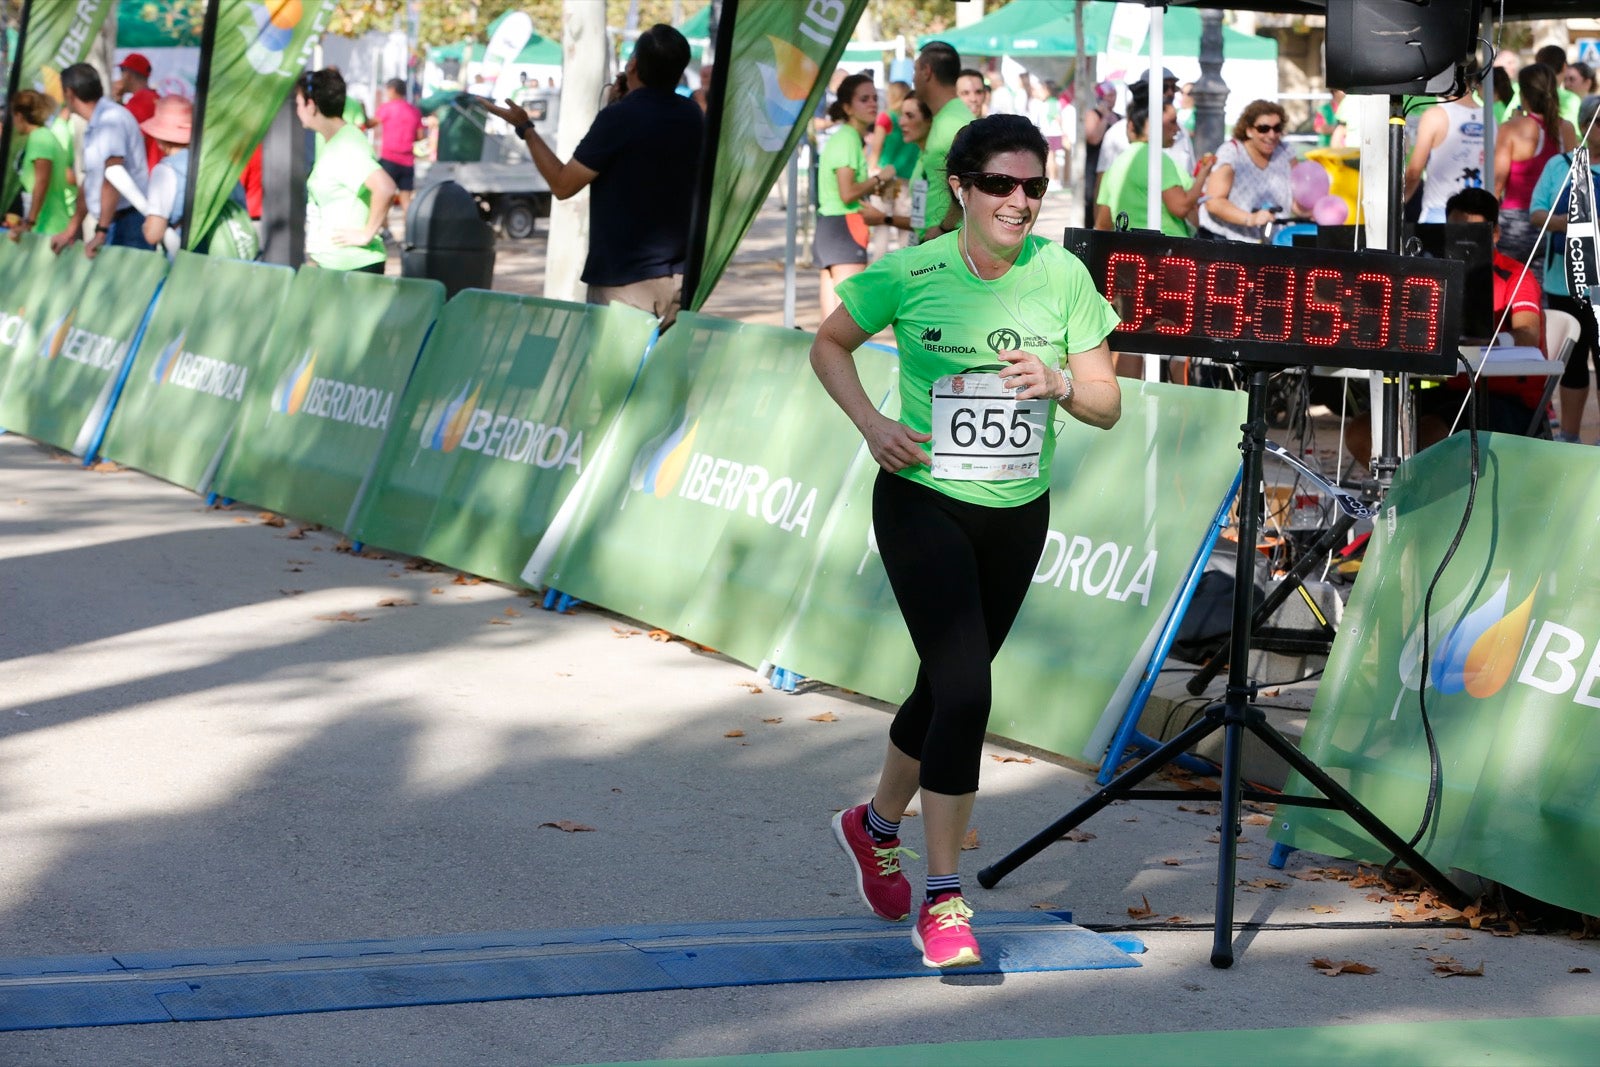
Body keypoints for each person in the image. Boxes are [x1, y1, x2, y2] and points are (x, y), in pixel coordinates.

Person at [809, 114, 1121, 969]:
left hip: (1017, 510)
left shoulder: (1063, 277)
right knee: (968, 687)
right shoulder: (912, 271)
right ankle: (944, 899)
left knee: (946, 687)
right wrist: (872, 422)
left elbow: (1106, 400)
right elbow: (829, 343)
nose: (1018, 201)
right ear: (962, 187)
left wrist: (1059, 380)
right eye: (1000, 184)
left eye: (1032, 186)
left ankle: (873, 825)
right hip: (921, 498)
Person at [481, 23, 703, 328]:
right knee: (662, 374)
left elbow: (563, 184)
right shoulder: (692, 115)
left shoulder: (620, 118)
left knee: (612, 377)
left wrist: (525, 128)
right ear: (679, 73)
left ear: (633, 64)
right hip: (680, 279)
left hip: (627, 281)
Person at [1346, 188, 1548, 465]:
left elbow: (1528, 335)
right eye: (1455, 232)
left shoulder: (1516, 276)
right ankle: (1403, 498)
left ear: (1496, 235)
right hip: (1449, 389)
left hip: (1508, 400)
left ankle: (1421, 499)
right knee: (1361, 431)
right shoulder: (1433, 277)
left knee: (1429, 432)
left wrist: (1480, 342)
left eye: (1473, 233)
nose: (1463, 240)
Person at [1530, 93, 1600, 444]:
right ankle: (1571, 438)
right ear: (1586, 126)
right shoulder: (1560, 165)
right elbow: (1536, 212)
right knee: (1572, 367)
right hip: (1564, 283)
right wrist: (1566, 222)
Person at [296, 68, 395, 273]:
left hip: (352, 268)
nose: (297, 111)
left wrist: (366, 234)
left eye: (298, 104)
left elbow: (385, 187)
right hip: (338, 266)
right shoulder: (336, 141)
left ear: (311, 106)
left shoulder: (347, 144)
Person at [51, 63, 151, 257]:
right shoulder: (98, 122)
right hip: (115, 222)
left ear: (70, 93)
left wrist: (101, 231)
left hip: (127, 223)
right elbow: (90, 183)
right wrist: (71, 230)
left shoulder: (110, 120)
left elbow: (113, 178)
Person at [815, 73, 893, 318]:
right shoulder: (847, 139)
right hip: (843, 226)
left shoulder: (847, 138)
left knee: (831, 320)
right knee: (846, 316)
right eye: (863, 99)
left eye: (874, 98)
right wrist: (881, 177)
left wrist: (872, 184)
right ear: (847, 107)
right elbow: (847, 193)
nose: (872, 104)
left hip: (833, 225)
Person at [1494, 63, 1577, 287]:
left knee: (1507, 290)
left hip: (1514, 222)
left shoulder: (1512, 128)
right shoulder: (1565, 128)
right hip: (1550, 221)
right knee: (1540, 294)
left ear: (1523, 93)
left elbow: (1497, 182)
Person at [1095, 99, 1210, 238]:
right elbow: (1180, 207)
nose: (1178, 129)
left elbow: (1103, 223)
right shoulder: (1157, 159)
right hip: (1167, 249)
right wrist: (1203, 173)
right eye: (1172, 122)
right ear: (1152, 124)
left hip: (1128, 249)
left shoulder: (1116, 165)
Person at [1199, 99, 1295, 242]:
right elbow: (1213, 201)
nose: (1272, 135)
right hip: (1225, 240)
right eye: (1264, 128)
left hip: (1273, 240)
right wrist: (1250, 219)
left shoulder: (1285, 152)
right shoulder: (1232, 152)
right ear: (1249, 130)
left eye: (1277, 128)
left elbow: (1297, 198)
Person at [909, 42, 971, 243]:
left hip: (947, 243)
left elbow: (972, 183)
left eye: (915, 71)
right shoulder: (945, 118)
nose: (913, 78)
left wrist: (944, 228)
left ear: (926, 72)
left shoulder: (953, 122)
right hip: (939, 240)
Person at [1405, 81, 1486, 223]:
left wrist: (1399, 203)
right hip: (1479, 215)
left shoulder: (1435, 116)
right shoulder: (1489, 118)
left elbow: (1414, 171)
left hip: (1440, 211)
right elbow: (1498, 176)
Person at [7, 90, 72, 240]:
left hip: (49, 227)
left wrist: (30, 221)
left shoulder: (40, 138)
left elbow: (42, 181)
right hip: (45, 225)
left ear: (19, 115)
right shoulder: (42, 136)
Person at [140, 94, 192, 252]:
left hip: (185, 263)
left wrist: (146, 226)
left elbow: (153, 234)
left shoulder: (165, 171)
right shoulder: (212, 161)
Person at [374, 78, 424, 216]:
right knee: (406, 201)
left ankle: (384, 231)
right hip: (407, 162)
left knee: (383, 198)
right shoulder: (414, 111)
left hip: (389, 159)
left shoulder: (387, 108)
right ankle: (410, 233)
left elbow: (372, 123)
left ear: (392, 90)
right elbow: (420, 136)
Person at [115, 52, 161, 174]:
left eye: (121, 71)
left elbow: (120, 134)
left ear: (128, 75)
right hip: (157, 169)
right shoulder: (155, 97)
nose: (120, 77)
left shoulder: (138, 101)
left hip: (145, 173)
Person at [1082, 81, 1120, 228]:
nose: (1112, 99)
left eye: (1114, 95)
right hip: (1095, 166)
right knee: (1093, 201)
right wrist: (1104, 117)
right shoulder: (1093, 114)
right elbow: (1093, 138)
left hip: (1113, 166)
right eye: (1109, 95)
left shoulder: (1118, 116)